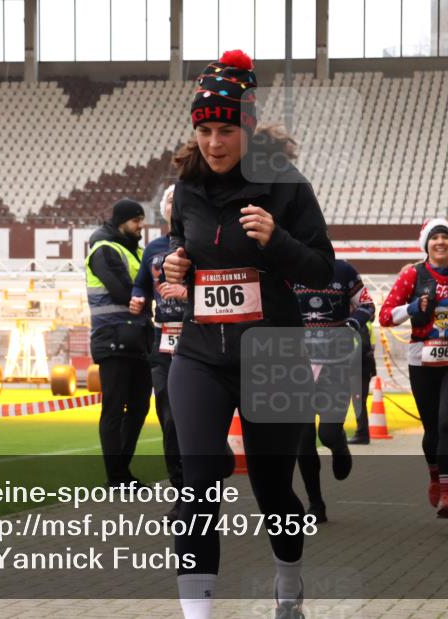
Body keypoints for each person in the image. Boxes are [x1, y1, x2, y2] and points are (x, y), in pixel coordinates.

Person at [163, 49, 334, 619]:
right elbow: (184, 252)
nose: (215, 143)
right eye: (206, 130)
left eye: (227, 129)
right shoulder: (186, 188)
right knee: (198, 483)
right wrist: (178, 269)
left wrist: (276, 241)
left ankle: (289, 584)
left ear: (249, 127)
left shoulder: (286, 187)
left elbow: (322, 270)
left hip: (273, 353)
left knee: (273, 490)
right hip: (200, 354)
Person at [378, 218, 448, 519]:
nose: (440, 242)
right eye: (435, 238)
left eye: (446, 238)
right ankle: (435, 476)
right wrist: (412, 308)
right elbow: (385, 316)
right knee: (430, 429)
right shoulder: (411, 275)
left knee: (445, 423)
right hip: (422, 357)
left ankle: (447, 496)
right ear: (426, 244)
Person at [292, 259, 375, 522]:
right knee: (303, 442)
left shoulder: (344, 271)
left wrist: (353, 323)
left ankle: (338, 446)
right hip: (296, 367)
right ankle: (316, 504)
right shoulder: (286, 269)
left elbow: (368, 304)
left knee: (326, 434)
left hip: (336, 366)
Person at [129, 184, 188, 516]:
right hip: (162, 339)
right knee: (168, 417)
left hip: (199, 338)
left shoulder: (203, 244)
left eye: (179, 200)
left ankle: (215, 450)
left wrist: (186, 293)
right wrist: (138, 296)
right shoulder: (154, 248)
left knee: (197, 416)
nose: (173, 204)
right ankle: (180, 493)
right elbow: (141, 282)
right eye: (169, 200)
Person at [86, 199, 154, 487]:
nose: (141, 227)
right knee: (114, 408)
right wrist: (143, 296)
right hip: (112, 338)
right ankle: (116, 476)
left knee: (139, 408)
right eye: (137, 221)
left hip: (139, 338)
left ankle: (121, 471)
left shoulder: (135, 250)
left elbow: (147, 288)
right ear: (122, 221)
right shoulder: (103, 249)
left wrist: (144, 295)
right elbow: (121, 292)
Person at [348, 320, 378, 445]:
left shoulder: (358, 323)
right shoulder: (366, 324)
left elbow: (363, 345)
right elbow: (369, 346)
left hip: (358, 367)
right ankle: (361, 433)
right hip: (363, 366)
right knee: (358, 401)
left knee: (358, 401)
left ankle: (362, 434)